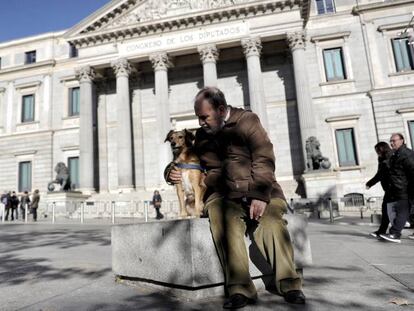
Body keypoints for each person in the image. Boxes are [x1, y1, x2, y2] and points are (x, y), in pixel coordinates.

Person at [166, 87, 305, 308]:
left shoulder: (248, 121)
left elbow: (264, 158)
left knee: (270, 223)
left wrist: (259, 194)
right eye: (198, 117)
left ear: (221, 110)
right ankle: (240, 289)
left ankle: (290, 284)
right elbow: (188, 161)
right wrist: (170, 172)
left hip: (261, 190)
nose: (200, 122)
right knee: (223, 221)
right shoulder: (201, 136)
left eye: (204, 117)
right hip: (222, 195)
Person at [380, 133, 414, 243]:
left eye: (394, 140)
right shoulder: (396, 154)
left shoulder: (407, 154)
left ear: (402, 140)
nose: (391, 143)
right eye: (391, 141)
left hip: (405, 188)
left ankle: (395, 233)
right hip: (399, 188)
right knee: (406, 211)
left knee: (402, 211)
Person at [366, 142, 393, 238]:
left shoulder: (392, 157)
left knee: (403, 211)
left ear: (383, 149)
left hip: (396, 188)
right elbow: (379, 174)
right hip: (388, 189)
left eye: (378, 150)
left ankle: (394, 232)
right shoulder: (381, 160)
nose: (377, 153)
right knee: (385, 210)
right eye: (376, 151)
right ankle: (382, 231)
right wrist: (370, 183)